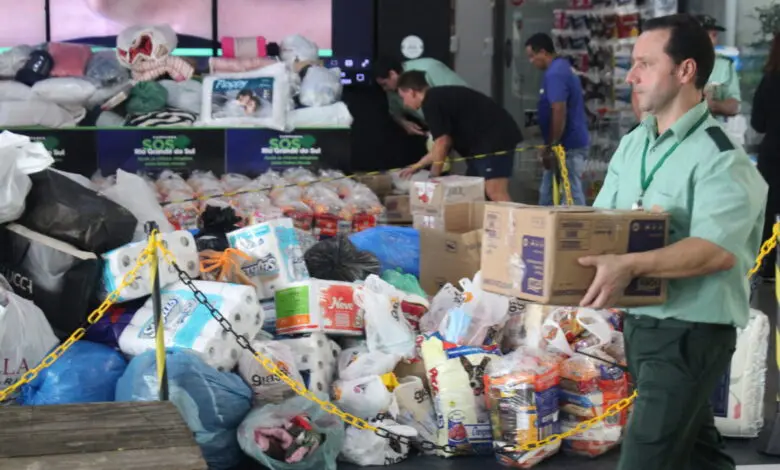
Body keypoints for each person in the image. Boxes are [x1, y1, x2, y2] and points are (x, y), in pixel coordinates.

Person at [580, 14, 767, 470]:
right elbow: (601, 222)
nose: (630, 75)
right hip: (642, 325)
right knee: (698, 453)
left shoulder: (721, 158)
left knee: (645, 457)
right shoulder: (634, 145)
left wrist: (631, 265)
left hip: (690, 332)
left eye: (644, 63)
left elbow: (715, 250)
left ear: (685, 71)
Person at [396, 71, 522, 202]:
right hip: (480, 145)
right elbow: (442, 144)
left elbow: (442, 143)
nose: (404, 104)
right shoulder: (438, 98)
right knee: (474, 193)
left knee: (494, 191)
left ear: (412, 92)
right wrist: (417, 166)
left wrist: (433, 178)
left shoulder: (431, 102)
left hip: (494, 140)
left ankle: (516, 222)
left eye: (403, 97)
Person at [525, 33, 589, 206]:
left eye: (532, 56)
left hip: (567, 148)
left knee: (570, 198)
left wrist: (552, 146)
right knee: (547, 195)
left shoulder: (555, 74)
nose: (531, 61)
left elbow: (558, 109)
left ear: (543, 52)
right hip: (563, 146)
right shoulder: (561, 68)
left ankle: (576, 230)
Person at [375, 57, 468, 136]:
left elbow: (461, 96)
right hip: (437, 131)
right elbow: (395, 112)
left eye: (384, 84)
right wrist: (404, 123)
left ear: (392, 74)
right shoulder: (392, 89)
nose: (405, 104)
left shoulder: (429, 69)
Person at [751, 32, 780, 279]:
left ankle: (767, 266)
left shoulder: (770, 80)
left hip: (773, 154)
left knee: (769, 210)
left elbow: (758, 123)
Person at [696, 14, 741, 120]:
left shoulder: (724, 65)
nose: (712, 39)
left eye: (714, 35)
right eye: (706, 34)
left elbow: (734, 106)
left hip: (712, 131)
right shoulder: (675, 63)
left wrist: (713, 105)